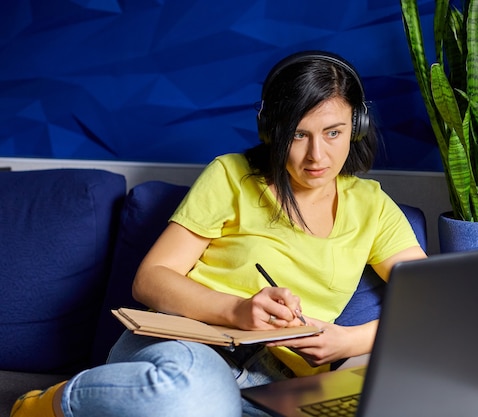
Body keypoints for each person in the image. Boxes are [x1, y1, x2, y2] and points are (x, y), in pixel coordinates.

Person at [11, 50, 427, 417]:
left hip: (276, 382)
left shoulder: (372, 205)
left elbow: (431, 303)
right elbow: (150, 277)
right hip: (192, 345)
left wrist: (347, 341)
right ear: (273, 131)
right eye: (299, 134)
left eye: (332, 133)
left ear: (357, 125)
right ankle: (51, 404)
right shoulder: (231, 175)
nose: (317, 155)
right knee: (192, 397)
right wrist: (237, 311)